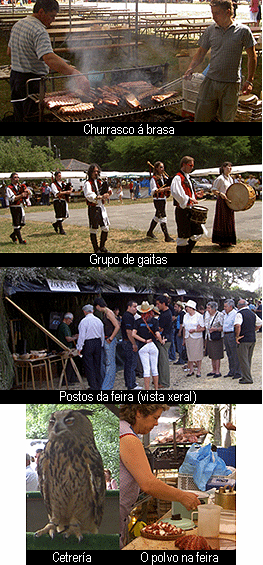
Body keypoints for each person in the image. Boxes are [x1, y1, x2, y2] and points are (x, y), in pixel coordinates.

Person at [120, 405, 200, 548]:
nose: (157, 423)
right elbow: (149, 484)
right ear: (138, 413)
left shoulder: (122, 429)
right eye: (155, 418)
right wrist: (182, 496)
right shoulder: (128, 437)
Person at [7, 0, 90, 122]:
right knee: (32, 117)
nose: (53, 19)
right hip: (32, 82)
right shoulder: (39, 31)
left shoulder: (18, 24)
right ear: (41, 12)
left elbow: (9, 51)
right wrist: (75, 73)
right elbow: (49, 58)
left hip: (15, 78)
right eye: (52, 16)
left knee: (19, 114)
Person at [184, 0, 257, 122]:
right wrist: (190, 68)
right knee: (201, 117)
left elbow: (252, 56)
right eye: (212, 13)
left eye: (217, 13)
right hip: (210, 81)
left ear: (228, 12)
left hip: (231, 84)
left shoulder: (243, 31)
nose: (213, 17)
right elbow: (201, 53)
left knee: (227, 119)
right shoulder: (210, 30)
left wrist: (250, 80)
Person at [171, 156, 203, 254]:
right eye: (190, 165)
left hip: (190, 209)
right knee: (183, 236)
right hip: (182, 210)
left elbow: (188, 193)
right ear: (183, 165)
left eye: (193, 165)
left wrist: (195, 196)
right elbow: (176, 193)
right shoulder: (177, 178)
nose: (192, 167)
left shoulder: (187, 178)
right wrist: (189, 199)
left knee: (198, 233)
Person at [132, 301, 165, 390]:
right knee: (154, 368)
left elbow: (133, 334)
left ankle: (147, 390)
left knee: (146, 370)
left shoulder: (138, 321)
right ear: (150, 311)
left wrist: (144, 340)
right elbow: (157, 334)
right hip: (153, 345)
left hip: (143, 346)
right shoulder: (154, 321)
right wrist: (162, 341)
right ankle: (156, 389)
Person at [84, 164, 112, 253]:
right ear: (90, 173)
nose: (96, 173)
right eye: (94, 171)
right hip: (93, 208)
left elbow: (108, 190)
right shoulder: (88, 183)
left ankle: (102, 246)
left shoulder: (100, 182)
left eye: (97, 171)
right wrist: (99, 197)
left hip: (101, 208)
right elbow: (89, 195)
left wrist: (108, 193)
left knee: (105, 228)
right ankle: (96, 249)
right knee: (94, 229)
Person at [93, 297, 120, 390]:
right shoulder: (106, 312)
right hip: (107, 339)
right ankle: (107, 384)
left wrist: (111, 338)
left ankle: (107, 386)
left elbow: (117, 326)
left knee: (110, 363)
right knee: (108, 362)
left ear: (98, 305)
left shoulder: (108, 313)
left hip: (109, 340)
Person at [76, 304, 105, 390]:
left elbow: (82, 336)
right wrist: (101, 344)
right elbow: (102, 334)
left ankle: (93, 386)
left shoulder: (84, 321)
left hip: (88, 343)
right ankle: (99, 384)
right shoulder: (98, 320)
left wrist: (79, 347)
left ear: (84, 312)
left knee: (89, 365)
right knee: (97, 364)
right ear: (92, 311)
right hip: (98, 342)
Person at [234, 298, 262, 384]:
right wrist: (252, 330)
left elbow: (238, 325)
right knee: (248, 359)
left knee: (243, 359)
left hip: (243, 339)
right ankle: (246, 375)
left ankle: (247, 378)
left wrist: (237, 336)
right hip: (252, 338)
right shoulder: (252, 313)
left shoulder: (239, 314)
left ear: (238, 306)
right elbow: (260, 323)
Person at [146, 161, 174, 242]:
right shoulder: (153, 179)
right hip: (158, 200)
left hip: (163, 199)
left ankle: (149, 232)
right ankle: (167, 237)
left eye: (163, 167)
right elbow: (154, 191)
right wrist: (165, 189)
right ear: (157, 168)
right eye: (161, 167)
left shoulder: (163, 178)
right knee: (162, 216)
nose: (163, 169)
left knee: (157, 216)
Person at [211, 162, 236, 247]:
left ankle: (229, 241)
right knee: (222, 220)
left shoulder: (230, 178)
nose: (230, 168)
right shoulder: (220, 178)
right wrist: (220, 193)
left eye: (230, 167)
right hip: (222, 201)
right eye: (228, 167)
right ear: (223, 168)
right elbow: (213, 190)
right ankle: (222, 241)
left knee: (229, 220)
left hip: (229, 201)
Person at [121, 301, 141, 391]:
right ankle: (131, 385)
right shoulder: (128, 317)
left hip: (127, 342)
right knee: (131, 364)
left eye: (136, 307)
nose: (135, 309)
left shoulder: (127, 316)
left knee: (128, 364)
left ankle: (129, 382)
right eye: (134, 307)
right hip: (129, 342)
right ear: (128, 307)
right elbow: (129, 332)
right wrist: (133, 344)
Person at [182, 300, 205, 378]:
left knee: (198, 354)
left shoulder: (199, 316)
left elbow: (203, 328)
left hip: (196, 337)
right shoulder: (185, 316)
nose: (186, 309)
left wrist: (195, 330)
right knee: (190, 354)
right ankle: (191, 370)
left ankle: (199, 370)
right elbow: (184, 327)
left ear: (192, 308)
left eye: (187, 307)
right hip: (188, 337)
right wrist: (184, 338)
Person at [6, 172, 29, 244]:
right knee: (16, 224)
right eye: (15, 177)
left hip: (20, 206)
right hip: (14, 207)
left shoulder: (21, 186)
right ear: (11, 179)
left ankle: (13, 235)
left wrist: (27, 192)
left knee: (22, 223)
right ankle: (20, 240)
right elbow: (12, 199)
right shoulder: (9, 188)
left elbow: (28, 194)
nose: (17, 179)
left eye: (17, 177)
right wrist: (21, 195)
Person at [155, 295, 173, 388]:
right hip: (163, 338)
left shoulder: (166, 314)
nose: (157, 305)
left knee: (163, 362)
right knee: (160, 361)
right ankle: (160, 380)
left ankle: (165, 382)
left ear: (163, 303)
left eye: (158, 304)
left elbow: (160, 329)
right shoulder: (164, 312)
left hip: (164, 339)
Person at [205, 301, 224, 378]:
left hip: (216, 337)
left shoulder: (220, 315)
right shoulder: (207, 315)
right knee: (212, 354)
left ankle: (217, 371)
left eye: (209, 308)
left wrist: (215, 329)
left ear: (214, 308)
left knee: (217, 355)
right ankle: (213, 370)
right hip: (209, 337)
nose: (207, 310)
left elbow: (223, 327)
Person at [223, 299, 241, 379]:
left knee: (234, 354)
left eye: (225, 306)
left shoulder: (235, 314)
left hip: (231, 334)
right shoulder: (226, 314)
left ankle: (237, 371)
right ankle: (231, 371)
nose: (224, 308)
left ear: (230, 306)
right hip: (226, 335)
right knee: (229, 353)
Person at [50, 171, 72, 235]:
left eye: (60, 175)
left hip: (63, 200)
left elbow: (67, 188)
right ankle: (61, 230)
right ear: (55, 177)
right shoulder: (53, 184)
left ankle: (56, 224)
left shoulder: (63, 183)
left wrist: (70, 189)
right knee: (59, 215)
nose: (60, 177)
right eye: (58, 176)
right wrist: (66, 192)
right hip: (57, 200)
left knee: (66, 215)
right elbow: (57, 193)